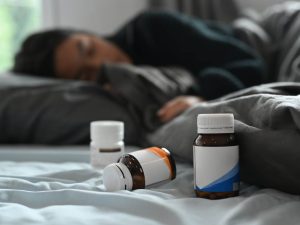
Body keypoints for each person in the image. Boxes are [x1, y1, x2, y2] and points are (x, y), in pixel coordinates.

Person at [12, 10, 266, 122]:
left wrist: (201, 95)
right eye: (85, 73)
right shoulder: (109, 93)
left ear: (87, 33)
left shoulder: (151, 28)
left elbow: (250, 65)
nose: (101, 62)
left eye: (88, 49)